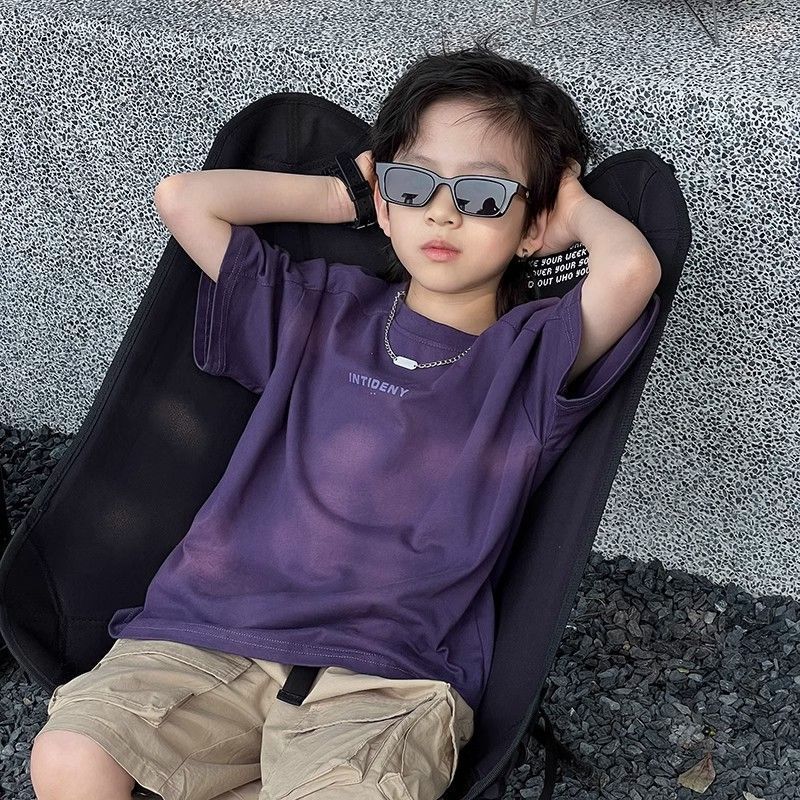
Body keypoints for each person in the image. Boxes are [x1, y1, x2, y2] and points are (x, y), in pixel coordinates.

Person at [30, 33, 661, 800]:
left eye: (483, 196)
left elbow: (631, 270)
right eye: (413, 185)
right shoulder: (318, 309)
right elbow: (184, 198)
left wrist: (571, 205)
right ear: (385, 203)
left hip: (387, 675)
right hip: (211, 631)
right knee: (70, 756)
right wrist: (342, 199)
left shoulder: (527, 357)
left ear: (532, 227)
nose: (443, 213)